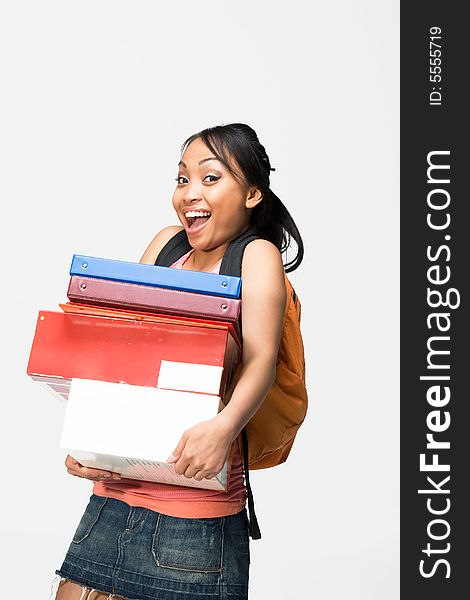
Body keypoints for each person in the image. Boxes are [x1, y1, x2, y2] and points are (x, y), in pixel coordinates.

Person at [51, 123, 304, 600]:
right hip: (116, 492)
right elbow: (127, 351)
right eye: (183, 178)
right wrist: (90, 442)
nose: (190, 192)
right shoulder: (167, 245)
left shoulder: (256, 255)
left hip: (195, 512)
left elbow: (262, 359)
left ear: (252, 193)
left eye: (211, 178)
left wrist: (224, 427)